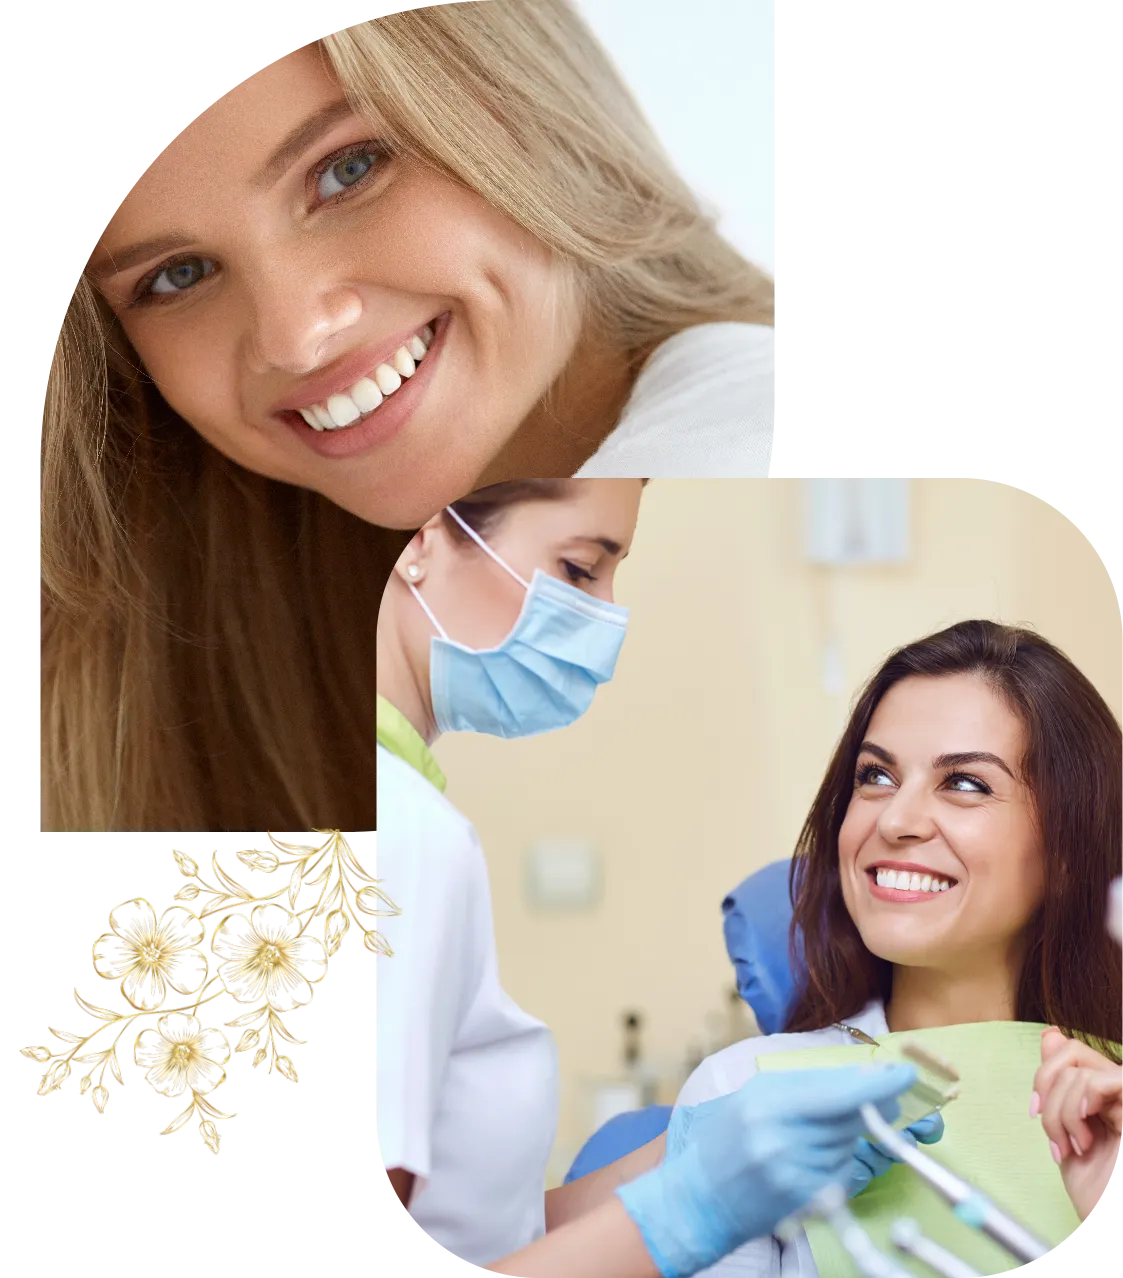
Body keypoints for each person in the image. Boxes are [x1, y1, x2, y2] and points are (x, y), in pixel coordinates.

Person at [42, 0, 774, 828]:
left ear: (527, 105)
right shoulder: (211, 614)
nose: (295, 337)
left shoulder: (743, 440)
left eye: (347, 170)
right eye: (177, 276)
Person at [376, 479, 940, 1278]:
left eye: (966, 784)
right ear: (421, 538)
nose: (606, 620)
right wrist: (696, 1205)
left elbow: (471, 1235)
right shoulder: (403, 838)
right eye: (577, 570)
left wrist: (678, 1157)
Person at [673, 620, 1123, 1275]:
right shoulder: (745, 1095)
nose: (894, 820)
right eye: (875, 776)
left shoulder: (1112, 1105)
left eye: (965, 783)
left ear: (1066, 850)